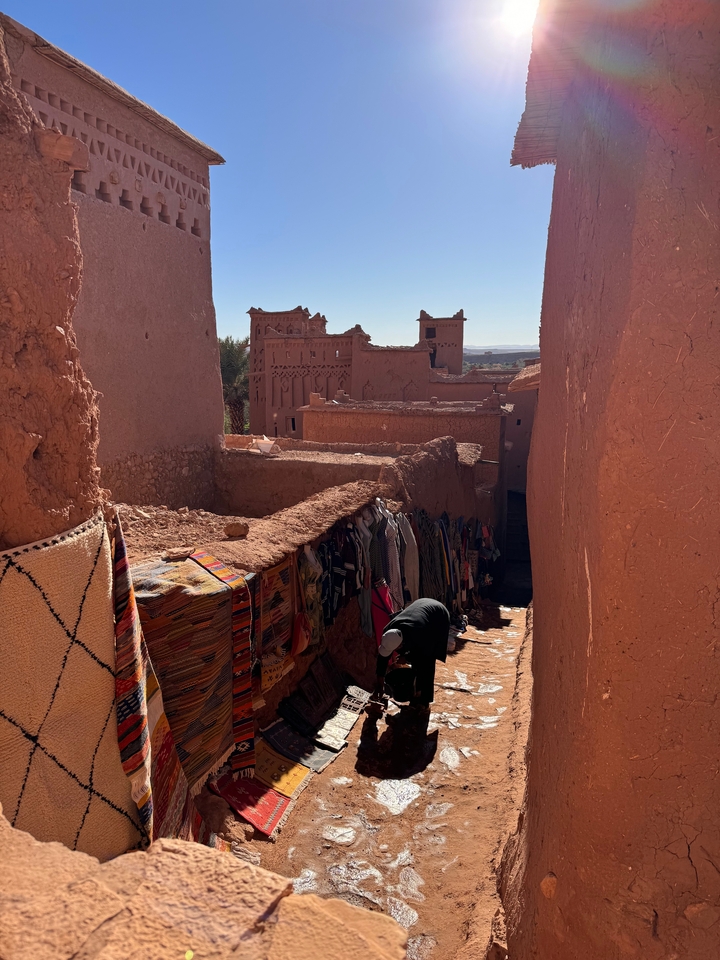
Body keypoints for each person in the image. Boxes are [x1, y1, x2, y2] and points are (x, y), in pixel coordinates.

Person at [372, 598, 450, 711]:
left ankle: (424, 700)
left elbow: (425, 654)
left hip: (438, 617)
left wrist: (407, 657)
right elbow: (382, 659)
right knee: (416, 657)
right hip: (419, 611)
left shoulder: (419, 632)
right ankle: (416, 691)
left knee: (426, 662)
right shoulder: (387, 632)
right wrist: (379, 685)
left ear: (400, 644)